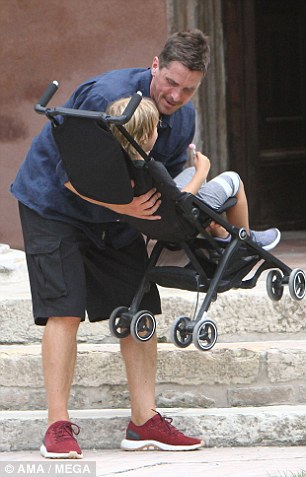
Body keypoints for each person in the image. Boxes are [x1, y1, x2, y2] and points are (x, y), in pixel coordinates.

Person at [11, 29, 212, 458]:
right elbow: (71, 176)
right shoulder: (106, 96)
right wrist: (129, 209)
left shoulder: (184, 119)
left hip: (119, 214)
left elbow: (164, 184)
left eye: (188, 88)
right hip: (55, 207)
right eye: (171, 82)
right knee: (63, 310)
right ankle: (58, 427)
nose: (176, 95)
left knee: (139, 306)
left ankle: (144, 422)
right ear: (154, 64)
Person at [107, 96, 281, 250]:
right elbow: (181, 200)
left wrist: (196, 173)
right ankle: (245, 241)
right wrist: (203, 170)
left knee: (190, 172)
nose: (158, 131)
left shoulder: (122, 167)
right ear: (144, 137)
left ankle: (219, 231)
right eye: (155, 127)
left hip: (153, 223)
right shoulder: (153, 168)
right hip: (180, 222)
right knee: (233, 179)